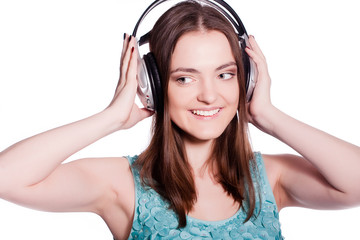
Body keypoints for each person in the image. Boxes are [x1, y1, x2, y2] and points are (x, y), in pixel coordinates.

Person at [0, 0, 359, 239]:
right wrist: (111, 118)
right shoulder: (120, 184)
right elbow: (7, 178)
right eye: (184, 78)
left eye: (225, 74)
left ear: (245, 79)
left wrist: (268, 115)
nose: (209, 95)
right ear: (153, 86)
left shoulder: (271, 179)